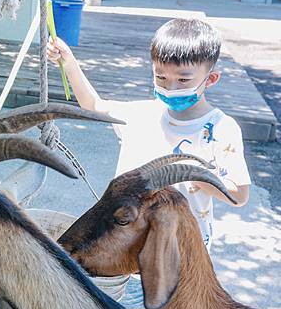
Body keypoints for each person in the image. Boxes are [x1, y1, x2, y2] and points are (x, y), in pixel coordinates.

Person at [48, 18, 250, 253]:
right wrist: (69, 62)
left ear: (210, 79)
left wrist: (192, 174)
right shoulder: (141, 115)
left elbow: (239, 195)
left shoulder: (222, 128)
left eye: (183, 79)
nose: (171, 88)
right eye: (161, 77)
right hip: (126, 246)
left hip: (182, 250)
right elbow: (93, 104)